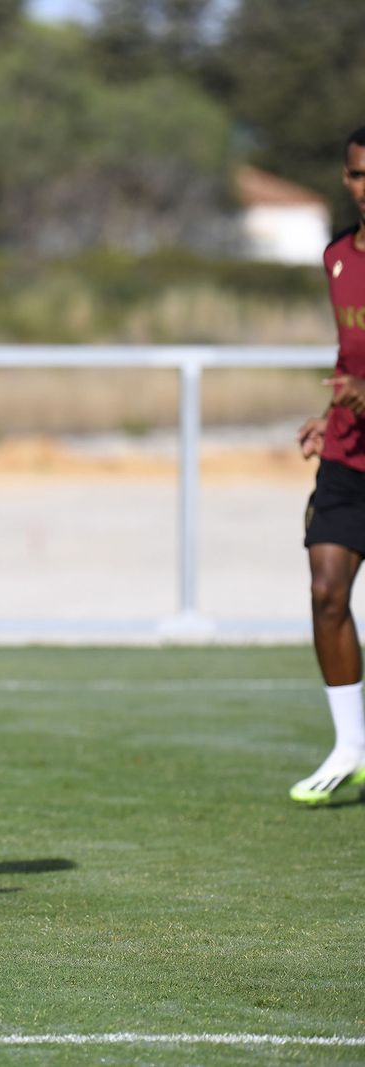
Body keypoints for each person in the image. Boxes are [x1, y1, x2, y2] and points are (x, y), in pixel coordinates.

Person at [296, 126, 365, 806]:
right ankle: (349, 746)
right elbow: (350, 353)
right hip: (348, 454)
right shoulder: (339, 254)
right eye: (355, 174)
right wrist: (332, 411)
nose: (362, 186)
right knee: (326, 590)